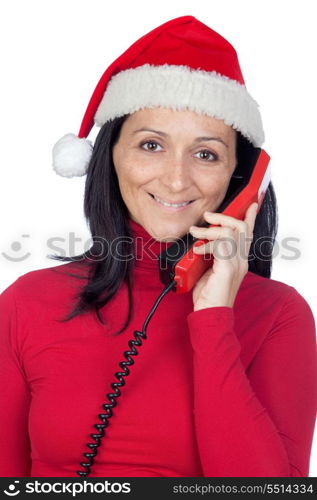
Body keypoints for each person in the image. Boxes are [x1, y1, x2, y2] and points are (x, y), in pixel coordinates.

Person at [0, 15, 316, 478]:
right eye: (151, 145)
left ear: (243, 179)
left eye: (206, 153)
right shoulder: (26, 304)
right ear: (109, 156)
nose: (175, 179)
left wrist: (213, 319)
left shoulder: (279, 315)